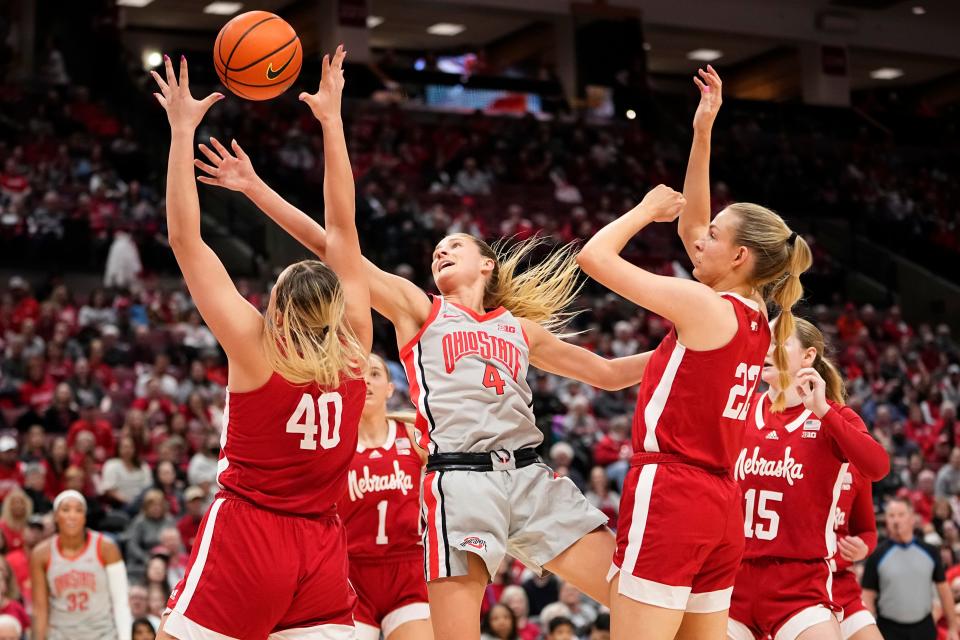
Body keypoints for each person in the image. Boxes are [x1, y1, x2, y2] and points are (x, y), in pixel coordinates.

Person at [197, 85, 658, 640]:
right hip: (461, 481)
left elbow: (607, 375)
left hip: (529, 474)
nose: (440, 251)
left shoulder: (519, 329)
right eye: (436, 249)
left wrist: (691, 349)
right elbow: (334, 245)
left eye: (454, 246)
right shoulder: (419, 310)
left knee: (633, 591)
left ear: (486, 264)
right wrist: (253, 188)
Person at [576, 65, 810, 640]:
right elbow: (696, 225)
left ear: (739, 259)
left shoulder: (706, 308)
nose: (698, 237)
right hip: (722, 504)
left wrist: (642, 210)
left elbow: (594, 259)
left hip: (673, 491)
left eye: (714, 238)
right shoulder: (760, 316)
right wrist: (703, 131)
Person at [150, 49, 371, 640]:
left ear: (275, 306)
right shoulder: (356, 345)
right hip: (323, 544)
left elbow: (183, 237)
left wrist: (180, 131)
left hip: (252, 533)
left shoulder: (257, 348)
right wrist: (332, 120)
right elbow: (343, 228)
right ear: (335, 307)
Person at [727, 318, 890, 640]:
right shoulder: (741, 410)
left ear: (808, 356)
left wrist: (824, 412)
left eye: (780, 343)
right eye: (766, 341)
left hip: (799, 584)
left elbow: (877, 467)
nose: (768, 350)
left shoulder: (832, 416)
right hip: (732, 577)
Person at [336, 354, 432, 640]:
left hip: (409, 570)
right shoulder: (335, 443)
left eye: (375, 374)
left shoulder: (414, 437)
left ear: (390, 388)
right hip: (349, 575)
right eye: (357, 374)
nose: (365, 380)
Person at [30, 490, 132, 640]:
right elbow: (40, 609)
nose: (72, 515)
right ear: (56, 516)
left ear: (84, 517)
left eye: (78, 510)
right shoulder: (41, 554)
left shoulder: (106, 547)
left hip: (102, 634)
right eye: (66, 510)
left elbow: (121, 602)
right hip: (61, 635)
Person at [862, 498, 959, 640]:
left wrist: (952, 628)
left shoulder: (930, 552)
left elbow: (944, 592)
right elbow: (868, 598)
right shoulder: (876, 556)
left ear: (912, 518)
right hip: (888, 628)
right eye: (891, 516)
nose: (896, 520)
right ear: (886, 521)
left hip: (924, 627)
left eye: (901, 515)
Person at [832, 466, 882, 640]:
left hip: (841, 584)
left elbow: (868, 531)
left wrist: (863, 547)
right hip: (801, 583)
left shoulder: (857, 468)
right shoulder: (798, 458)